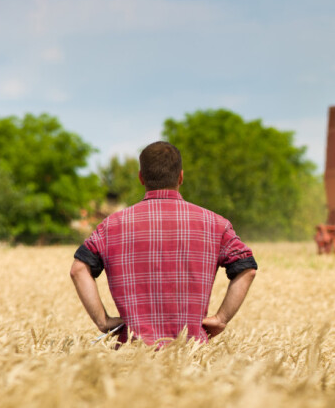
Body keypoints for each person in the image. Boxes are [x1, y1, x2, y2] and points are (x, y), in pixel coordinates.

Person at [69, 141, 257, 345]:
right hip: (192, 358)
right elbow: (247, 269)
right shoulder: (216, 224)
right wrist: (221, 319)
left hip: (131, 357)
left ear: (141, 178)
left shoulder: (111, 226)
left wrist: (103, 320)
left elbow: (79, 270)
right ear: (181, 177)